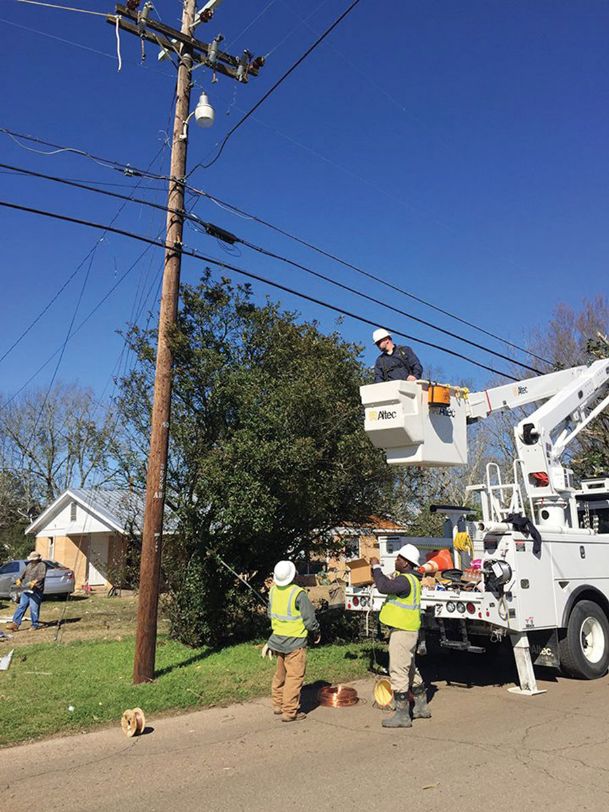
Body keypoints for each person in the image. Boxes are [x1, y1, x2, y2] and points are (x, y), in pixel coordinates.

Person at [369, 543, 431, 728]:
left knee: (398, 670)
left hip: (403, 632)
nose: (395, 561)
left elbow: (383, 587)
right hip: (409, 631)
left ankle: (402, 715)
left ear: (406, 563)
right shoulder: (411, 579)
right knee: (410, 669)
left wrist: (375, 567)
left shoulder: (404, 580)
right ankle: (421, 706)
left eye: (398, 558)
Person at [264, 560, 320, 722]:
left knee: (280, 674)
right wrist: (316, 632)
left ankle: (278, 704)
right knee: (294, 677)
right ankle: (289, 711)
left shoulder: (273, 591)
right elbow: (309, 619)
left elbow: (270, 614)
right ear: (293, 575)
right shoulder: (298, 593)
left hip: (277, 640)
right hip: (295, 642)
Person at [6, 551, 47, 632]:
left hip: (36, 590)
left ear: (37, 559)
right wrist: (20, 579)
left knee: (33, 607)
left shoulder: (42, 565)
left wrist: (35, 581)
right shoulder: (29, 565)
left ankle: (34, 624)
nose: (31, 560)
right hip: (26, 588)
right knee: (22, 605)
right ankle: (15, 623)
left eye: (33, 559)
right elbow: (24, 573)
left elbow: (42, 576)